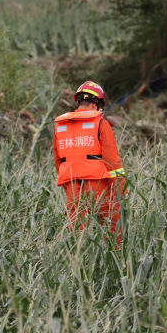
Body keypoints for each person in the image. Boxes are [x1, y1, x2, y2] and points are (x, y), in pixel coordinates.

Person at [52, 81, 126, 247]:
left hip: (70, 180)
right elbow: (112, 161)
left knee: (76, 224)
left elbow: (58, 160)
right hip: (96, 179)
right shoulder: (100, 123)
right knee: (110, 220)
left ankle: (78, 260)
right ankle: (115, 255)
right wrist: (121, 188)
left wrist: (66, 180)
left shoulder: (60, 126)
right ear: (98, 103)